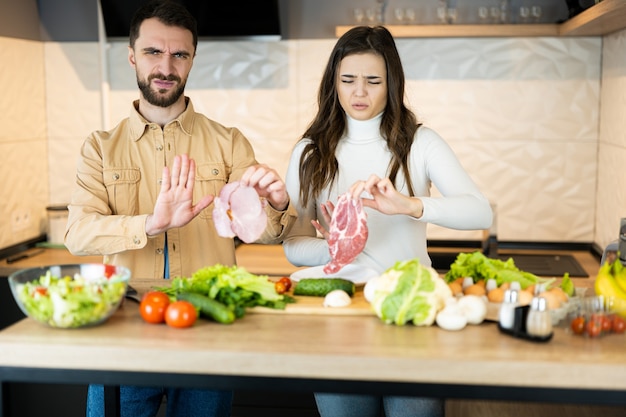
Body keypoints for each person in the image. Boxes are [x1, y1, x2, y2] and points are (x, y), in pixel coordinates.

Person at [65, 1, 296, 416]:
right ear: (133, 55)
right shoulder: (99, 146)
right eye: (154, 52)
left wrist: (276, 203)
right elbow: (78, 234)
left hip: (208, 330)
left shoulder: (229, 142)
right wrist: (149, 224)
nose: (166, 67)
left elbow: (262, 230)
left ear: (192, 60)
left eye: (179, 54)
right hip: (126, 331)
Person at [283, 26, 493, 417]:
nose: (359, 92)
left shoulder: (420, 142)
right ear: (334, 83)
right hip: (338, 315)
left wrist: (410, 206)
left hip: (411, 314)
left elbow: (480, 211)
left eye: (372, 81)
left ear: (391, 84)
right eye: (347, 80)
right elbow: (292, 246)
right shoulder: (308, 152)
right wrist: (337, 247)